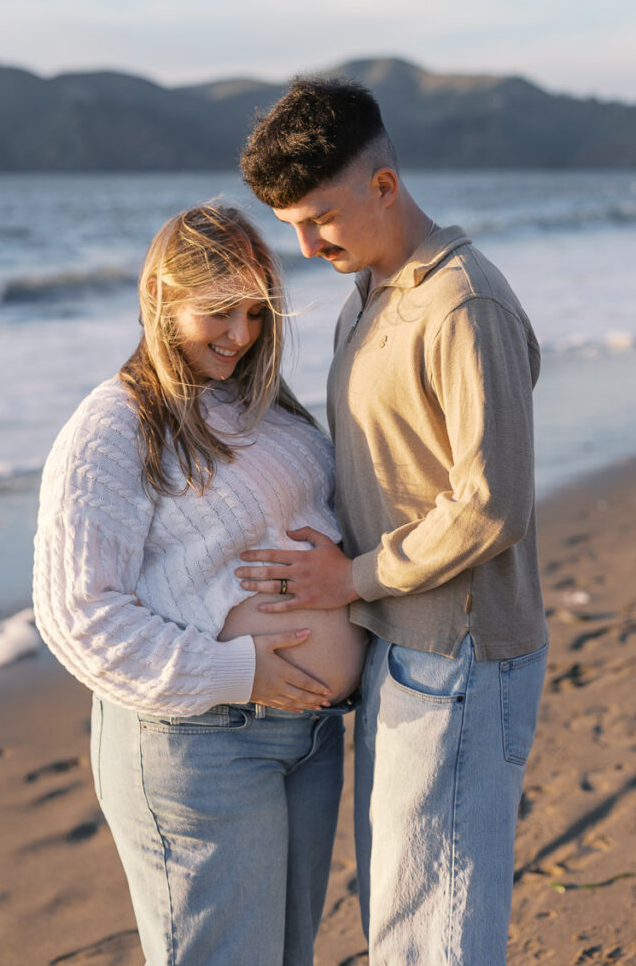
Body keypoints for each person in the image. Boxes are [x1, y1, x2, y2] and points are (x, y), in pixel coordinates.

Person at [238, 79, 549, 965]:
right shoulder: (370, 292)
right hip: (400, 645)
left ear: (384, 184)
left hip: (459, 653)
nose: (304, 245)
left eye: (319, 217)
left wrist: (350, 577)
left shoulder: (462, 303)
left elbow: (493, 503)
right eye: (288, 224)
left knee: (434, 925)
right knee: (401, 905)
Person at [32, 203, 368, 966]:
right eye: (217, 311)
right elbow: (76, 615)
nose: (241, 335)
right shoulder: (114, 424)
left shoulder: (260, 405)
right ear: (159, 297)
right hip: (200, 742)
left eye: (255, 311)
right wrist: (240, 669)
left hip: (308, 734)